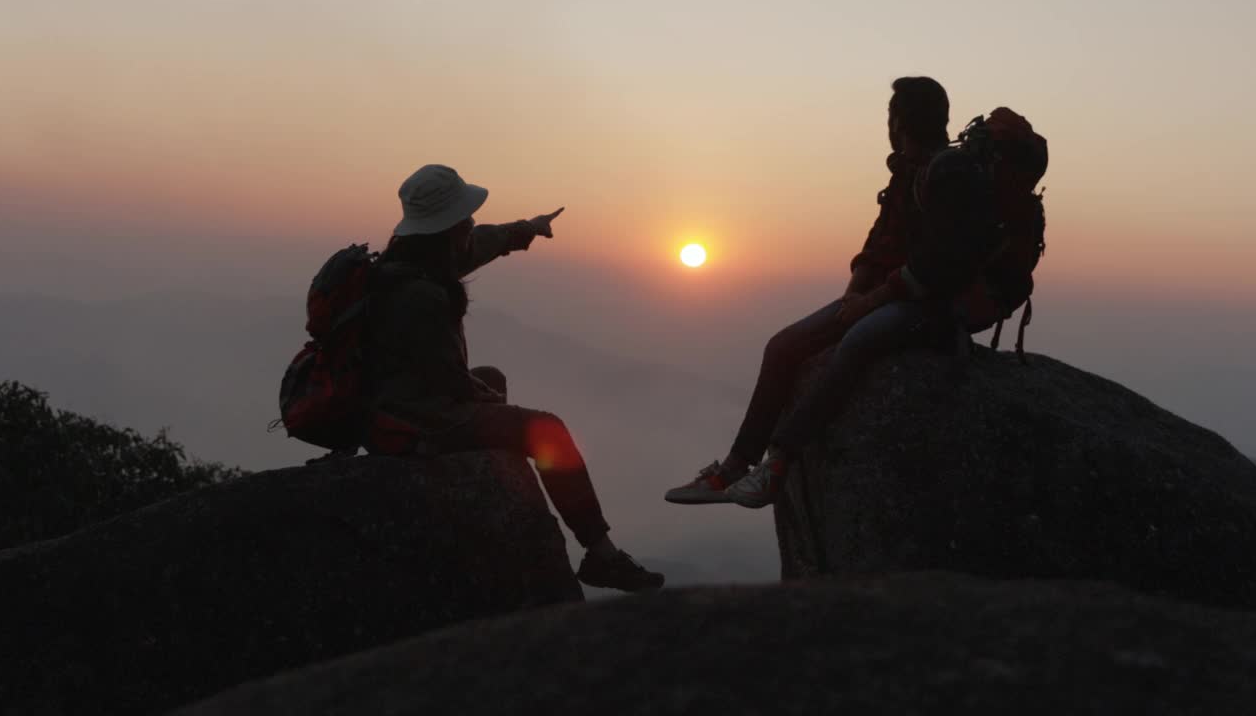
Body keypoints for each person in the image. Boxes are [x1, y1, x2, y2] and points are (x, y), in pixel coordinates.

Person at [666, 76, 1000, 509]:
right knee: (783, 346)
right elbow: (878, 244)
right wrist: (852, 296)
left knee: (858, 340)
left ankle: (778, 463)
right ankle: (733, 467)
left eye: (891, 115)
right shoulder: (907, 171)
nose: (889, 125)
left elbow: (940, 263)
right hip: (894, 294)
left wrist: (869, 303)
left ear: (901, 121)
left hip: (937, 306)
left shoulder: (949, 171)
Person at [366, 164, 664, 592]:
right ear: (448, 226)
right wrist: (485, 400)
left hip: (401, 399)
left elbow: (483, 242)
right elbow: (446, 383)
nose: (470, 222)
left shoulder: (414, 262)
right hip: (414, 421)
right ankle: (602, 554)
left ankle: (505, 486)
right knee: (547, 429)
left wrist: (529, 228)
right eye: (464, 217)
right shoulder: (421, 295)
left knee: (492, 377)